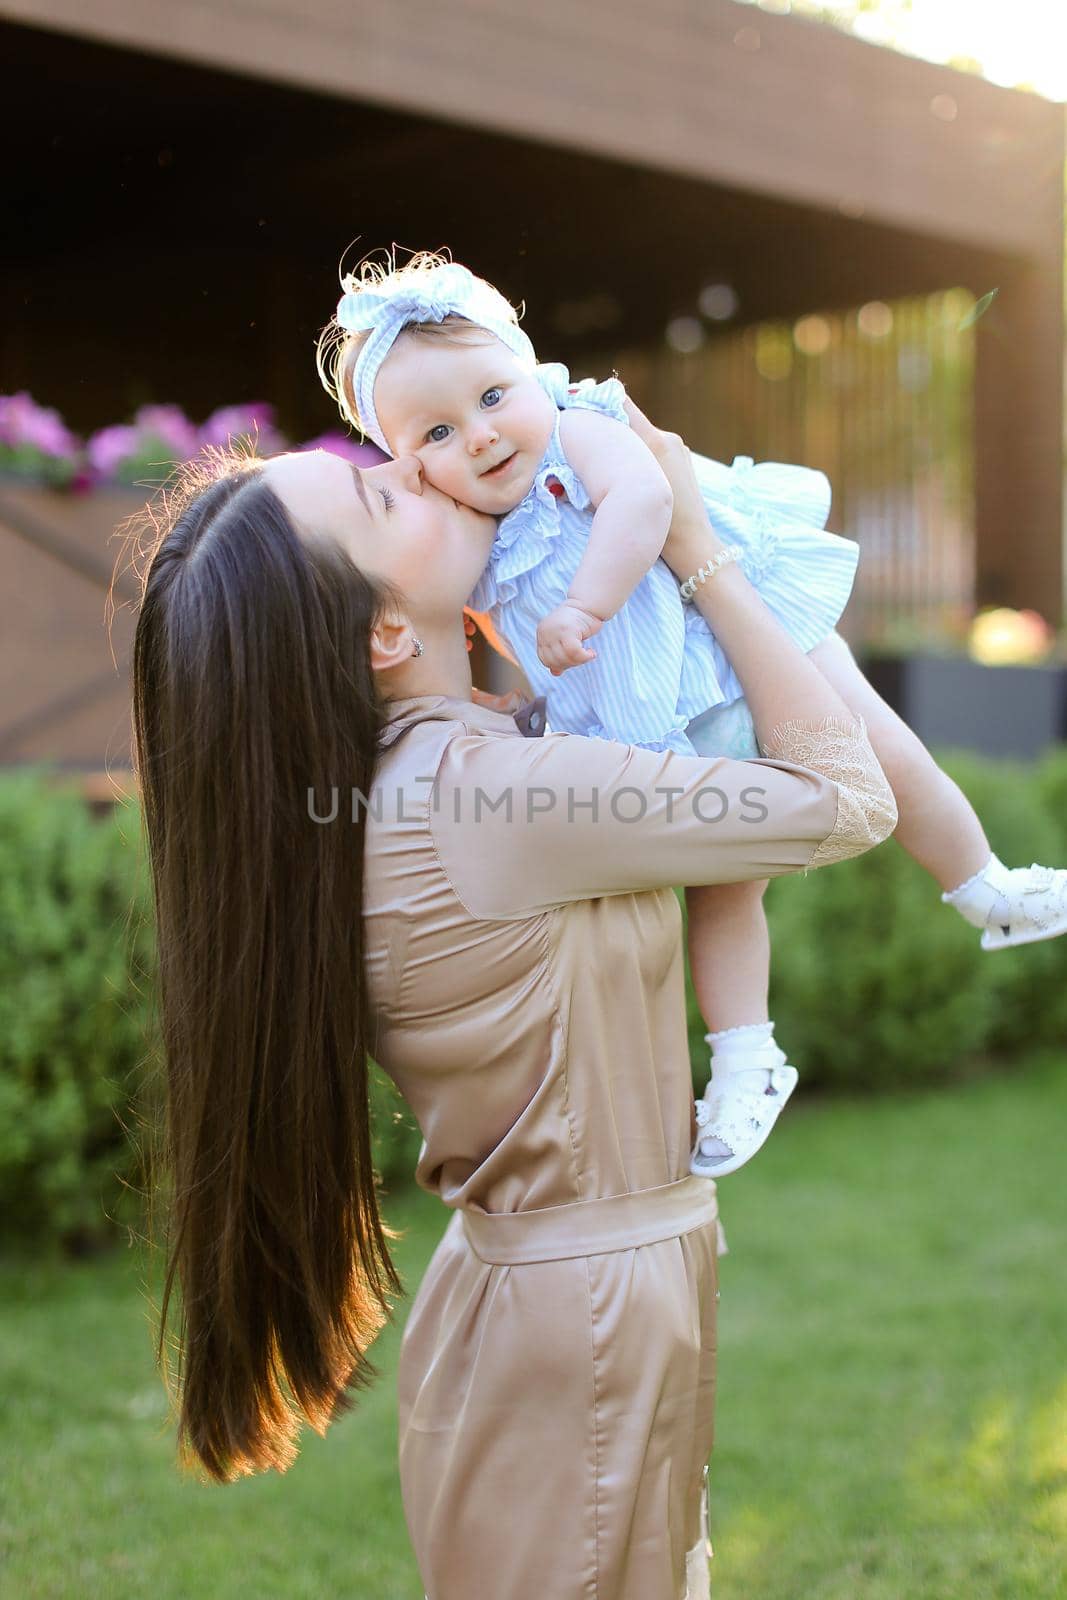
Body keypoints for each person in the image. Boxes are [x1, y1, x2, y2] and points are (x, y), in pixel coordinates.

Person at [130, 396, 896, 1598]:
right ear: (386, 631)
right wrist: (698, 549)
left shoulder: (427, 777)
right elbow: (843, 797)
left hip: (547, 1304)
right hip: (578, 1322)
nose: (417, 470)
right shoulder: (491, 797)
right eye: (382, 495)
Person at [317, 251, 1067, 1180]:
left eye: (492, 395)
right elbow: (466, 621)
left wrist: (587, 605)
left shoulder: (575, 428)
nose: (477, 435)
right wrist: (490, 695)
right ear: (410, 463)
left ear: (527, 367)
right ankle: (747, 1059)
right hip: (660, 713)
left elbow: (645, 501)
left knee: (887, 751)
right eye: (435, 431)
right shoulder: (471, 530)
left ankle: (987, 886)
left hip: (737, 639)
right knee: (723, 889)